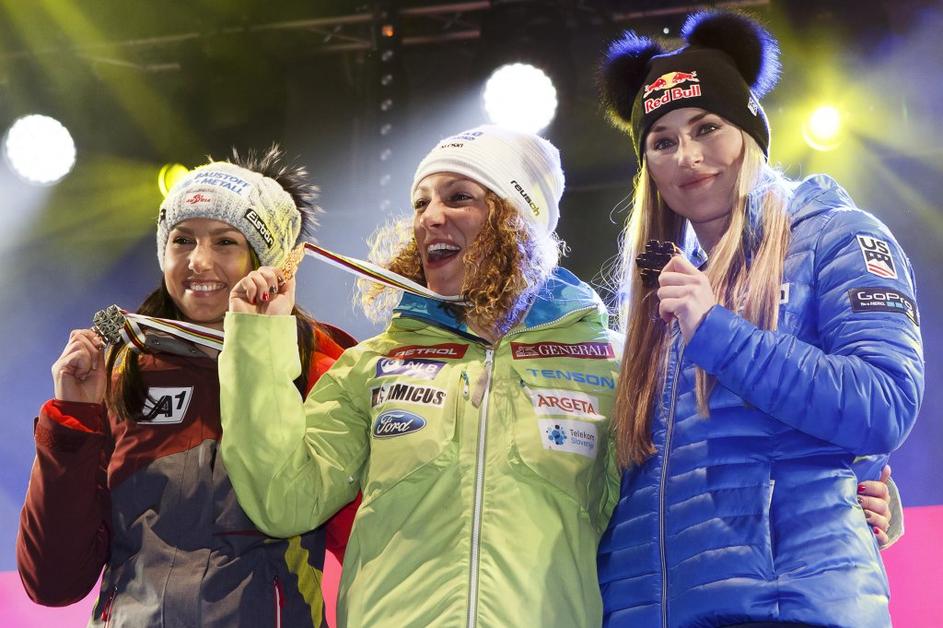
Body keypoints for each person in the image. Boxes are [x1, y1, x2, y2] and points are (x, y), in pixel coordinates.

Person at [217, 126, 623, 626]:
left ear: (517, 220)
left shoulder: (610, 364)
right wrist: (258, 341)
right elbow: (282, 501)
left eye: (459, 197)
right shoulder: (373, 363)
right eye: (421, 202)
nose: (430, 217)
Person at [597, 10, 924, 627]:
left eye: (707, 127)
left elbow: (885, 403)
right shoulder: (657, 298)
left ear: (748, 132)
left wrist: (717, 330)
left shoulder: (834, 237)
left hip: (793, 610)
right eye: (662, 142)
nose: (687, 156)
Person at [16, 148, 358, 627]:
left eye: (225, 242)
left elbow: (369, 545)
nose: (199, 261)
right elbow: (53, 581)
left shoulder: (320, 367)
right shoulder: (122, 371)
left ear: (269, 263)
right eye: (182, 240)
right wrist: (73, 420)